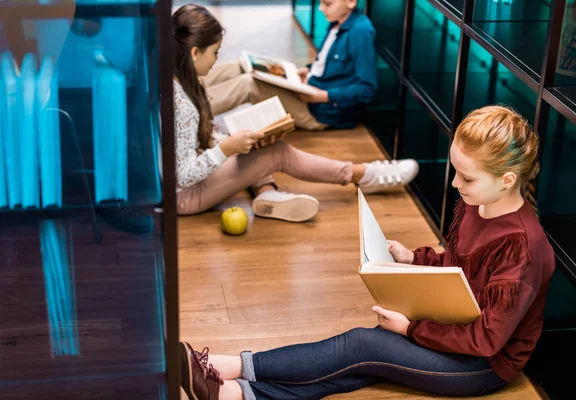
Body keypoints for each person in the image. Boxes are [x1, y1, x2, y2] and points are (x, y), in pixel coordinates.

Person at [178, 105, 556, 399]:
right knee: (361, 359)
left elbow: (487, 341)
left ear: (507, 180)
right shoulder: (480, 202)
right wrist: (414, 258)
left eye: (466, 177)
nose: (455, 183)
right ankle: (234, 392)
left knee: (365, 345)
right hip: (455, 330)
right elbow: (458, 264)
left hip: (483, 366)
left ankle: (230, 367)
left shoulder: (523, 248)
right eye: (456, 171)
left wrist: (411, 328)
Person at [173, 4, 418, 221]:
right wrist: (226, 148)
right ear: (195, 53)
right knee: (276, 151)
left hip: (185, 182)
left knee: (244, 139)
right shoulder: (184, 105)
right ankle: (365, 174)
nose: (217, 59)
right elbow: (183, 176)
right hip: (186, 194)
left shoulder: (174, 79)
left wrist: (227, 143)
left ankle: (267, 192)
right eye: (215, 52)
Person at [204, 0, 377, 131]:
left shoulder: (361, 32)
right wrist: (308, 71)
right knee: (240, 65)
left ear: (351, 2)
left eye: (327, 4)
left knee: (250, 84)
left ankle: (189, 113)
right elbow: (326, 64)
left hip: (320, 111)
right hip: (307, 90)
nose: (321, 9)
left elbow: (367, 89)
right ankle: (185, 91)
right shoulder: (337, 23)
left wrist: (323, 96)